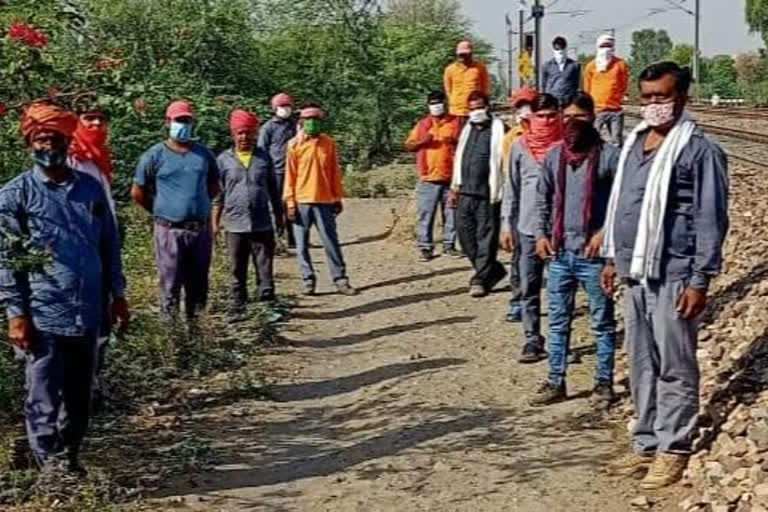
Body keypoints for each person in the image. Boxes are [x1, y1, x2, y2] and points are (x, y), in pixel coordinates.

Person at [601, 62, 728, 489]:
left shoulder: (698, 150)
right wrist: (610, 259)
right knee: (641, 363)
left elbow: (710, 219)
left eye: (662, 97)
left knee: (674, 364)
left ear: (683, 98)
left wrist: (699, 280)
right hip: (635, 272)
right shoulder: (635, 143)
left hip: (673, 272)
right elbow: (622, 206)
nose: (654, 105)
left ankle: (673, 447)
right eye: (648, 96)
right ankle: (646, 441)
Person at [0, 102, 129, 476]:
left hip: (88, 311)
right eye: (40, 139)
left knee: (79, 396)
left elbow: (109, 246)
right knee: (41, 394)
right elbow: (8, 261)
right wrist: (16, 315)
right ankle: (51, 469)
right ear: (29, 143)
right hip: (42, 314)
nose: (47, 146)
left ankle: (69, 459)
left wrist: (117, 296)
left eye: (55, 138)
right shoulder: (15, 196)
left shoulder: (89, 189)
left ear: (67, 141)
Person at [528, 93, 619, 407]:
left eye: (578, 117)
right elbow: (542, 199)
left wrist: (605, 234)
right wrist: (540, 234)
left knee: (602, 323)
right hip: (560, 255)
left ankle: (603, 383)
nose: (571, 124)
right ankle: (556, 380)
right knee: (557, 320)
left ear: (592, 117)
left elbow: (623, 203)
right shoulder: (555, 156)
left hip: (594, 257)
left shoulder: (609, 156)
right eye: (566, 118)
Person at [131, 100, 219, 320]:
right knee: (170, 284)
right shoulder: (154, 155)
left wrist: (198, 207)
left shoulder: (203, 155)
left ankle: (196, 335)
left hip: (199, 230)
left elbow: (213, 185)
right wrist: (160, 211)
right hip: (169, 230)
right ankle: (171, 337)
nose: (184, 124)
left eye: (188, 120)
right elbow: (137, 192)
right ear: (168, 122)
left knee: (198, 285)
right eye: (179, 120)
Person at [501, 93, 563, 363]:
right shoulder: (519, 147)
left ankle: (561, 342)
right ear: (531, 118)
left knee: (560, 290)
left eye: (551, 116)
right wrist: (506, 224)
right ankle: (532, 339)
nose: (547, 121)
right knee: (529, 287)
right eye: (541, 116)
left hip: (559, 231)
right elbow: (511, 189)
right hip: (526, 228)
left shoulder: (566, 146)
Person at [67, 98, 118, 405]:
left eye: (101, 119)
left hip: (102, 246)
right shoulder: (72, 159)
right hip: (78, 250)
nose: (96, 125)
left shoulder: (99, 158)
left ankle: (94, 382)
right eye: (89, 119)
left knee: (102, 316)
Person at [213, 109, 283, 317]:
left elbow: (273, 189)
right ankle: (237, 305)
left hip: (262, 222)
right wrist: (214, 224)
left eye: (249, 133)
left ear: (255, 134)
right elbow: (218, 195)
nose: (244, 137)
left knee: (264, 265)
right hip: (234, 224)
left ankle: (267, 304)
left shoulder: (264, 158)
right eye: (240, 133)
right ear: (233, 135)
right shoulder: (223, 160)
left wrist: (279, 216)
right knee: (237, 266)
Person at [284, 105, 356, 296]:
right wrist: (290, 203)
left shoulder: (328, 144)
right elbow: (289, 176)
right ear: (301, 122)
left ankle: (340, 280)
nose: (312, 123)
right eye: (308, 120)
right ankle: (308, 281)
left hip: (324, 200)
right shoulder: (294, 145)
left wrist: (337, 197)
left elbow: (334, 172)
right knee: (301, 245)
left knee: (330, 242)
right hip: (301, 202)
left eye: (316, 119)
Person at [449, 91, 506, 298]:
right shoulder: (466, 130)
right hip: (464, 193)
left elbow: (503, 162)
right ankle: (494, 269)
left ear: (488, 107)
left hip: (487, 195)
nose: (476, 112)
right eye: (472, 109)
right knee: (465, 237)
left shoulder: (499, 130)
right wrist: (454, 188)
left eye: (479, 107)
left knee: (486, 238)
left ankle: (481, 279)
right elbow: (458, 160)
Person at [405, 90, 461, 262]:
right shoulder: (423, 124)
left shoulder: (456, 122)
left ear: (445, 103)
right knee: (425, 215)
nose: (436, 106)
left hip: (451, 178)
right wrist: (423, 141)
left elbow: (463, 144)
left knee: (451, 213)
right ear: (428, 105)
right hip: (428, 178)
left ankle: (449, 245)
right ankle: (425, 247)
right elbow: (409, 145)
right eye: (432, 103)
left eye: (438, 102)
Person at [501, 87, 538, 323]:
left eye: (530, 106)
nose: (525, 111)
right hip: (521, 211)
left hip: (545, 215)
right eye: (521, 106)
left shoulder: (555, 136)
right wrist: (507, 218)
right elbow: (510, 180)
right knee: (519, 261)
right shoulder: (511, 139)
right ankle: (517, 302)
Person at [259, 93, 297, 252]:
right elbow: (262, 149)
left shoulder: (294, 125)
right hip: (276, 172)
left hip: (294, 171)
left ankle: (294, 238)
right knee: (277, 206)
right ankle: (278, 236)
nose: (285, 109)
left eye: (288, 106)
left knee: (293, 204)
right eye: (282, 106)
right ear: (275, 108)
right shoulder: (268, 127)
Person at [583, 34, 629, 146]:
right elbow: (586, 87)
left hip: (615, 110)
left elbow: (624, 83)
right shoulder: (591, 66)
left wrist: (618, 97)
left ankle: (616, 161)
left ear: (613, 47)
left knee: (616, 140)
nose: (606, 49)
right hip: (597, 110)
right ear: (598, 47)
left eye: (609, 45)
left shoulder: (620, 64)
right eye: (603, 46)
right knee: (591, 139)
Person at [444, 40, 491, 121]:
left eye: (465, 54)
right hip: (456, 111)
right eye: (461, 55)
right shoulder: (450, 70)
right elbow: (448, 90)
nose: (463, 57)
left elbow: (485, 88)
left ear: (471, 54)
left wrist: (482, 105)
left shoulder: (480, 68)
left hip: (476, 110)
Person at [542, 36, 581, 106]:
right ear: (553, 49)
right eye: (557, 49)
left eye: (562, 48)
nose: (560, 51)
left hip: (568, 102)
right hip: (552, 102)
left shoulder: (574, 66)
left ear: (565, 48)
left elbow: (577, 84)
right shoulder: (547, 65)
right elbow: (544, 84)